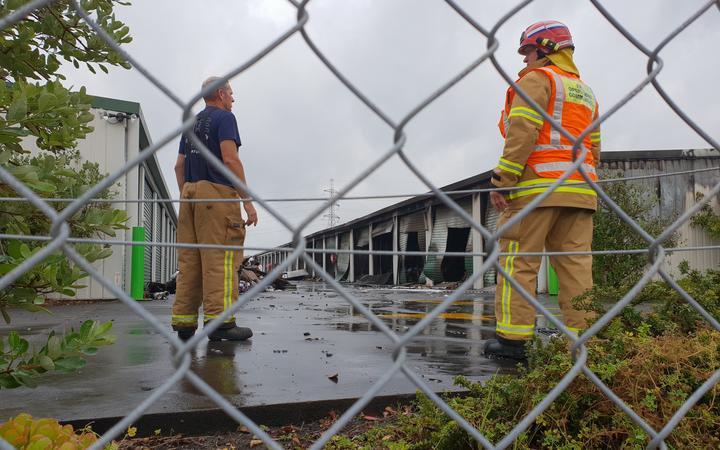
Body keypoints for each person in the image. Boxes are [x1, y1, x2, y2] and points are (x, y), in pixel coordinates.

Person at [484, 21, 601, 360]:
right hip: (580, 192)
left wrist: (503, 180)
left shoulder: (537, 81)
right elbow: (594, 146)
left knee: (518, 262)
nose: (524, 60)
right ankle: (584, 342)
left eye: (528, 51)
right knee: (577, 267)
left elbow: (522, 131)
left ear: (547, 49)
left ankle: (513, 341)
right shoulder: (585, 92)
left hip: (536, 189)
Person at [171, 76, 258, 341]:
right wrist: (247, 201)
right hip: (217, 194)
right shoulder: (225, 119)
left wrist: (188, 195)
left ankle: (184, 323)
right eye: (231, 93)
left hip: (189, 194)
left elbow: (178, 166)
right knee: (222, 258)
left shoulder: (191, 123)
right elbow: (231, 159)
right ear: (220, 94)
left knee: (191, 261)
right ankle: (221, 324)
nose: (233, 98)